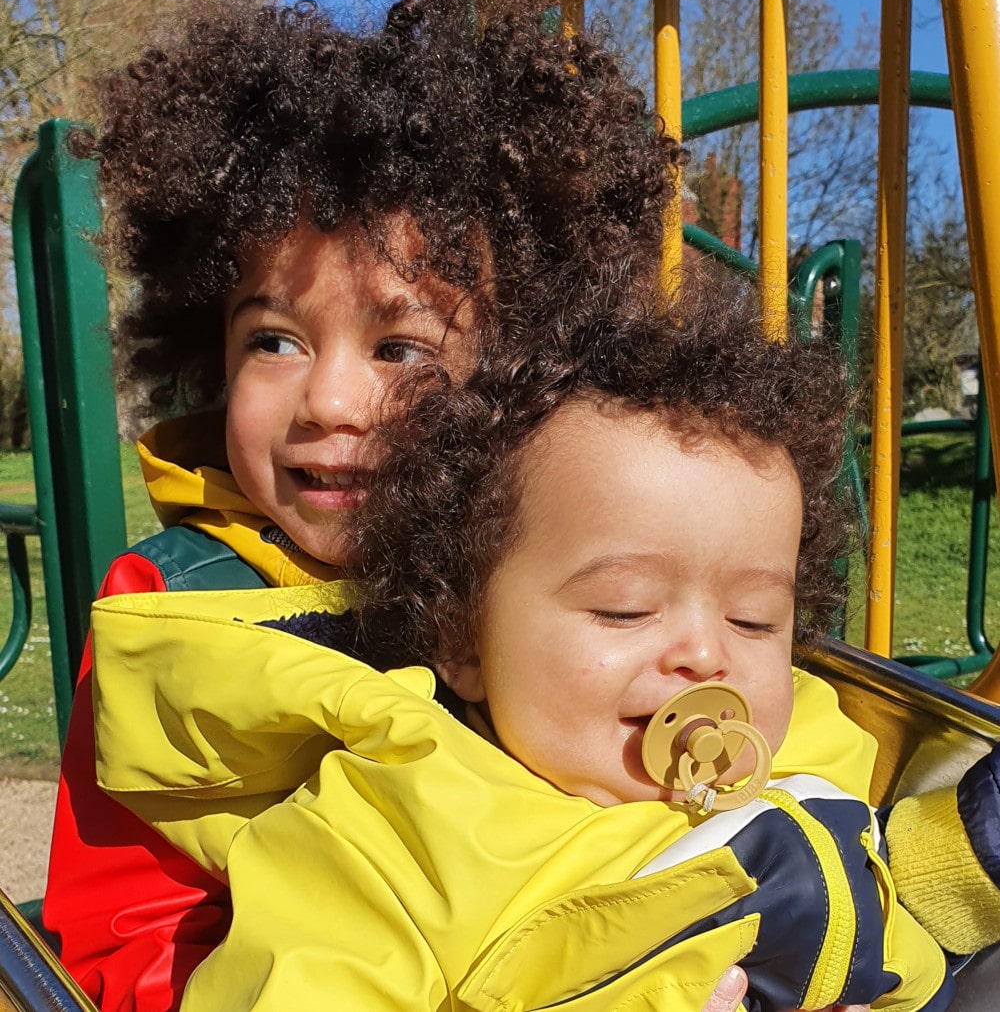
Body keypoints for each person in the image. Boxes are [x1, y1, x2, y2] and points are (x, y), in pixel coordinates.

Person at [41, 0, 683, 1012]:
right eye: (276, 339)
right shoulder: (169, 609)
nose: (329, 401)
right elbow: (123, 936)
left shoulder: (558, 578)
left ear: (514, 371)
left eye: (399, 348)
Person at [86, 278, 960, 1011]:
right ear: (462, 638)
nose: (706, 654)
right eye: (623, 609)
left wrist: (960, 859)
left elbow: (881, 873)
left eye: (756, 619)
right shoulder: (395, 836)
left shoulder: (806, 739)